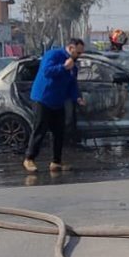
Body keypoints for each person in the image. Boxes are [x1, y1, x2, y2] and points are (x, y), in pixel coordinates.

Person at [23, 38, 86, 173]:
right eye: (78, 53)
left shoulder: (73, 65)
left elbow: (72, 84)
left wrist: (77, 97)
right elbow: (47, 71)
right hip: (43, 98)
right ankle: (29, 158)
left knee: (59, 132)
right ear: (70, 48)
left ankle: (56, 162)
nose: (79, 56)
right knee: (40, 129)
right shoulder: (53, 55)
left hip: (58, 101)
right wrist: (63, 67)